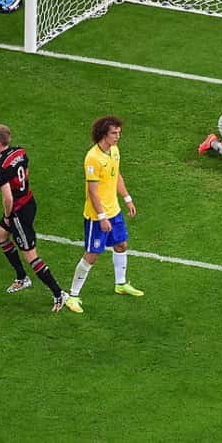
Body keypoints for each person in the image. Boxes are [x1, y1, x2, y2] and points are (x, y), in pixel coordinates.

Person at [64, 115, 144, 314]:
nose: (118, 136)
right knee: (92, 255)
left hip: (114, 210)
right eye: (114, 133)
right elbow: (92, 191)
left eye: (119, 133)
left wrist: (127, 198)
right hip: (97, 216)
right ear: (103, 134)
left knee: (121, 245)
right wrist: (102, 217)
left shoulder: (114, 151)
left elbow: (116, 175)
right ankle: (73, 296)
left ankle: (120, 284)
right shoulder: (92, 158)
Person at [0, 124, 68, 312]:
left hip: (17, 212)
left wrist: (8, 216)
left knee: (31, 256)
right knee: (0, 235)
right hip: (29, 202)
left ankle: (59, 293)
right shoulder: (20, 152)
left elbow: (8, 198)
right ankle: (22, 277)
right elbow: (23, 171)